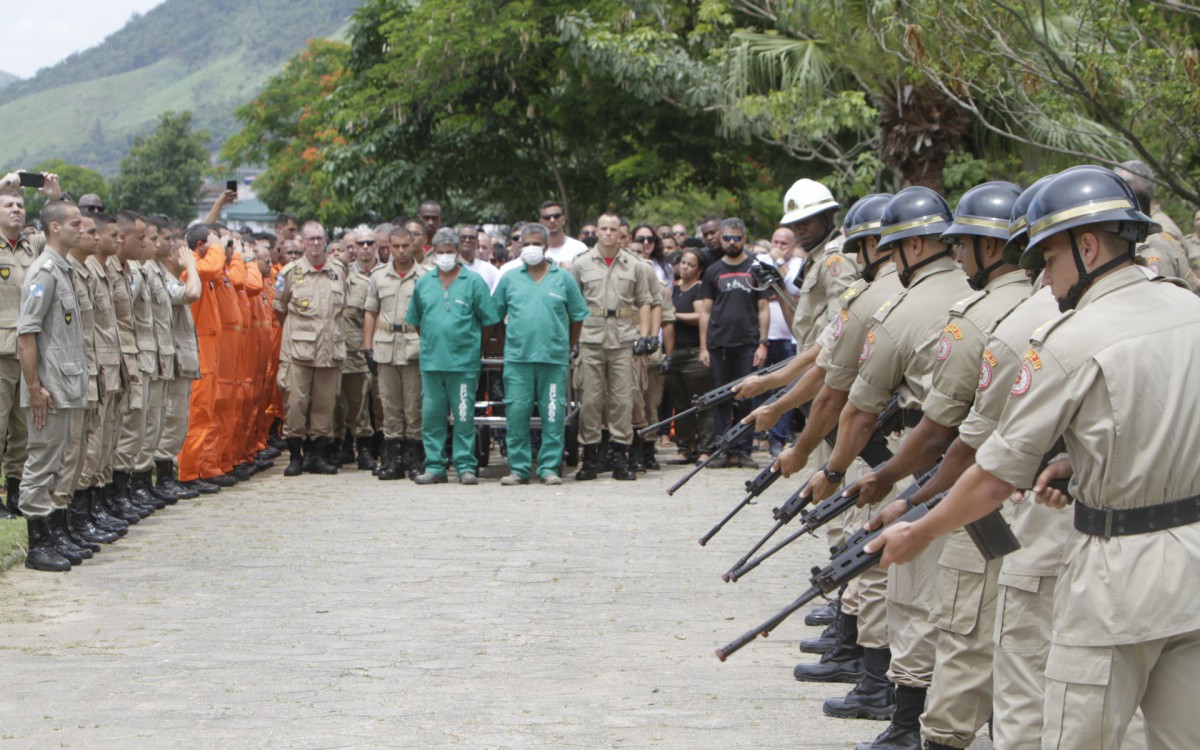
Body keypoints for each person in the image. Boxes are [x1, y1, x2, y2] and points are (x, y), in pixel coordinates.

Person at [868, 165, 1200, 750]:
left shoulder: (1071, 338)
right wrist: (1082, 460)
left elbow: (995, 478)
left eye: (1048, 258)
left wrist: (920, 529)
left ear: (1088, 245)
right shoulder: (1189, 312)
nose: (1044, 278)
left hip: (1114, 579)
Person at [801, 186, 973, 750]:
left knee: (911, 592)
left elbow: (854, 403)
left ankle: (905, 717)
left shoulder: (896, 307)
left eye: (888, 248)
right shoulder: (982, 298)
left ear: (909, 246)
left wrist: (833, 468)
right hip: (986, 465)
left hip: (919, 454)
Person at [16, 200, 89, 571]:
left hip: (65, 384)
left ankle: (53, 536)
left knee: (57, 462)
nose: (82, 228)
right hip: (48, 389)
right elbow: (26, 334)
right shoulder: (44, 271)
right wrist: (34, 387)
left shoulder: (64, 271)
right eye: (75, 223)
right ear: (55, 228)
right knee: (41, 462)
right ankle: (37, 545)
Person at [492, 223, 589, 485]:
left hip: (553, 360)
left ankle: (549, 468)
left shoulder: (563, 278)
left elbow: (578, 316)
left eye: (536, 243)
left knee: (553, 415)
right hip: (518, 361)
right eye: (526, 244)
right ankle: (519, 469)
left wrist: (567, 346)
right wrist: (506, 346)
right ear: (519, 247)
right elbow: (495, 316)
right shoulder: (509, 278)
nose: (531, 249)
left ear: (546, 246)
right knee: (517, 414)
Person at [406, 228, 499, 485]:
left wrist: (473, 344)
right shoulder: (424, 283)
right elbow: (418, 320)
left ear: (459, 253)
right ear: (432, 253)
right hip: (432, 362)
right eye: (440, 252)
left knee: (463, 416)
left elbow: (489, 320)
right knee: (432, 416)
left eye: (450, 251)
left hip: (463, 363)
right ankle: (435, 466)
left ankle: (465, 466)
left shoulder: (474, 282)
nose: (445, 256)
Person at [569, 212, 655, 481]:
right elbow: (572, 304)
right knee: (591, 400)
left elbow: (644, 301)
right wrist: (572, 340)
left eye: (613, 229)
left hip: (622, 339)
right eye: (603, 228)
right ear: (596, 230)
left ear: (622, 233)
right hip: (591, 339)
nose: (608, 233)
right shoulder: (581, 264)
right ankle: (591, 458)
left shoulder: (635, 265)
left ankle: (621, 457)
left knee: (623, 400)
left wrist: (643, 334)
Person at [274, 221, 348, 476]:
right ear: (302, 242)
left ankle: (317, 456)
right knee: (295, 403)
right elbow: (280, 309)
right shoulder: (290, 272)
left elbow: (342, 307)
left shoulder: (338, 271)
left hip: (330, 349)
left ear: (326, 239)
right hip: (299, 351)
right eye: (310, 239)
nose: (315, 243)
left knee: (325, 404)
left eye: (319, 238)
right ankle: (295, 455)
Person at [0, 173, 54, 517]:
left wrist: (53, 196)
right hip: (1, 352)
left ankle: (16, 494)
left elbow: (59, 234)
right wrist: (3, 183)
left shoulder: (31, 245)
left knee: (22, 429)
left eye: (20, 204)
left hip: (28, 351)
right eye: (8, 204)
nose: (17, 209)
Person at [696, 217, 770, 468]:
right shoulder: (713, 270)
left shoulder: (754, 267)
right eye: (727, 237)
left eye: (737, 238)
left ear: (744, 239)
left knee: (746, 399)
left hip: (747, 343)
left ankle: (743, 449)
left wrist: (763, 343)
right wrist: (704, 347)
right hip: (719, 344)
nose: (731, 242)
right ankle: (722, 449)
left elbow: (763, 308)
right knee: (720, 400)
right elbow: (705, 311)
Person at [364, 226, 426, 481]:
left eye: (405, 246)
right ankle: (392, 459)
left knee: (414, 406)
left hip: (413, 345)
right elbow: (370, 312)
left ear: (413, 245)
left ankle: (415, 459)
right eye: (395, 246)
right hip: (386, 346)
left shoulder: (424, 276)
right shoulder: (378, 276)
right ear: (388, 246)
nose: (400, 251)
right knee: (389, 405)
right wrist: (367, 347)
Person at [663, 248, 715, 463]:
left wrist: (673, 315)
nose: (685, 267)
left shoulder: (699, 289)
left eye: (691, 265)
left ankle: (705, 449)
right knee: (680, 404)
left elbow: (701, 316)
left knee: (703, 403)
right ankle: (684, 448)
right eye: (683, 263)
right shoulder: (674, 290)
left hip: (695, 352)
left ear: (699, 270)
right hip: (675, 353)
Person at [539, 200, 588, 268]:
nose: (552, 220)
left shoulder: (579, 248)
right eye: (547, 217)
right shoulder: (536, 250)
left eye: (556, 216)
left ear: (563, 219)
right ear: (541, 222)